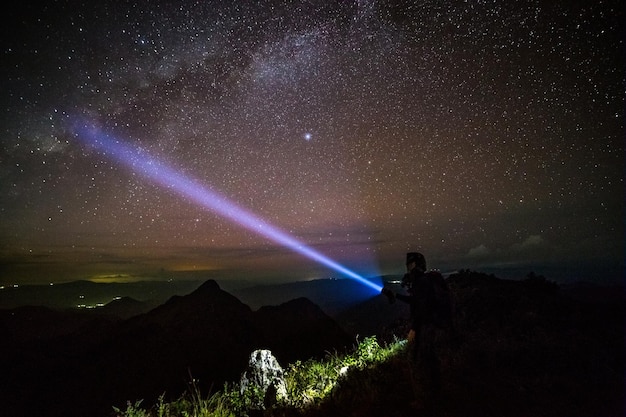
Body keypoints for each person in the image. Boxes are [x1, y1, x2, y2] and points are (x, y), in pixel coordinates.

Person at [382, 252, 447, 403]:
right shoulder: (424, 281)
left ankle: (424, 399)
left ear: (414, 265)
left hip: (424, 326)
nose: (408, 268)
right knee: (430, 360)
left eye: (409, 264)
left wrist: (414, 329)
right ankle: (436, 394)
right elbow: (415, 301)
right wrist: (396, 296)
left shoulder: (420, 282)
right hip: (431, 325)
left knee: (418, 361)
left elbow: (421, 307)